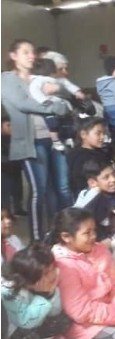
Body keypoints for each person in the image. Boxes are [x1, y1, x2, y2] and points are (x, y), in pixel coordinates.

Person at [49, 208, 115, 339]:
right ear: (66, 237)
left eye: (94, 231)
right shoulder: (64, 265)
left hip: (112, 311)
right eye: (87, 233)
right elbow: (80, 311)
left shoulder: (100, 250)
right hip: (84, 324)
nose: (94, 236)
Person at [2, 39, 70, 240]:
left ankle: (64, 232)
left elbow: (64, 93)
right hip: (31, 143)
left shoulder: (39, 78)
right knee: (38, 191)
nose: (31, 55)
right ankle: (37, 238)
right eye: (25, 52)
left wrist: (58, 92)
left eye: (32, 52)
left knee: (62, 188)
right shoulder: (7, 79)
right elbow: (22, 104)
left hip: (53, 139)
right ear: (13, 56)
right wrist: (54, 107)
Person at [1, 244, 71, 339]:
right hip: (13, 336)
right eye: (47, 272)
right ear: (30, 276)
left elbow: (55, 311)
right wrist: (44, 296)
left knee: (64, 320)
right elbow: (25, 322)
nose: (53, 274)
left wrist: (51, 292)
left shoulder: (36, 285)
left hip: (33, 326)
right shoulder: (8, 291)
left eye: (53, 268)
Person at [73, 158, 115, 241]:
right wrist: (95, 194)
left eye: (113, 174)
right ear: (92, 182)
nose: (113, 179)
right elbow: (78, 222)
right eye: (106, 177)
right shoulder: (87, 197)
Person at [28, 58, 76, 152]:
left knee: (67, 121)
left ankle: (68, 138)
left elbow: (64, 92)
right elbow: (34, 91)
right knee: (52, 123)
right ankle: (56, 141)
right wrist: (44, 101)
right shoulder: (37, 80)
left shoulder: (55, 80)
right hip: (47, 110)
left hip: (59, 106)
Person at [67, 117, 110, 196]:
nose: (102, 137)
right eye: (98, 133)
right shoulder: (79, 156)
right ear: (83, 134)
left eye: (103, 133)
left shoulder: (101, 152)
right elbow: (79, 183)